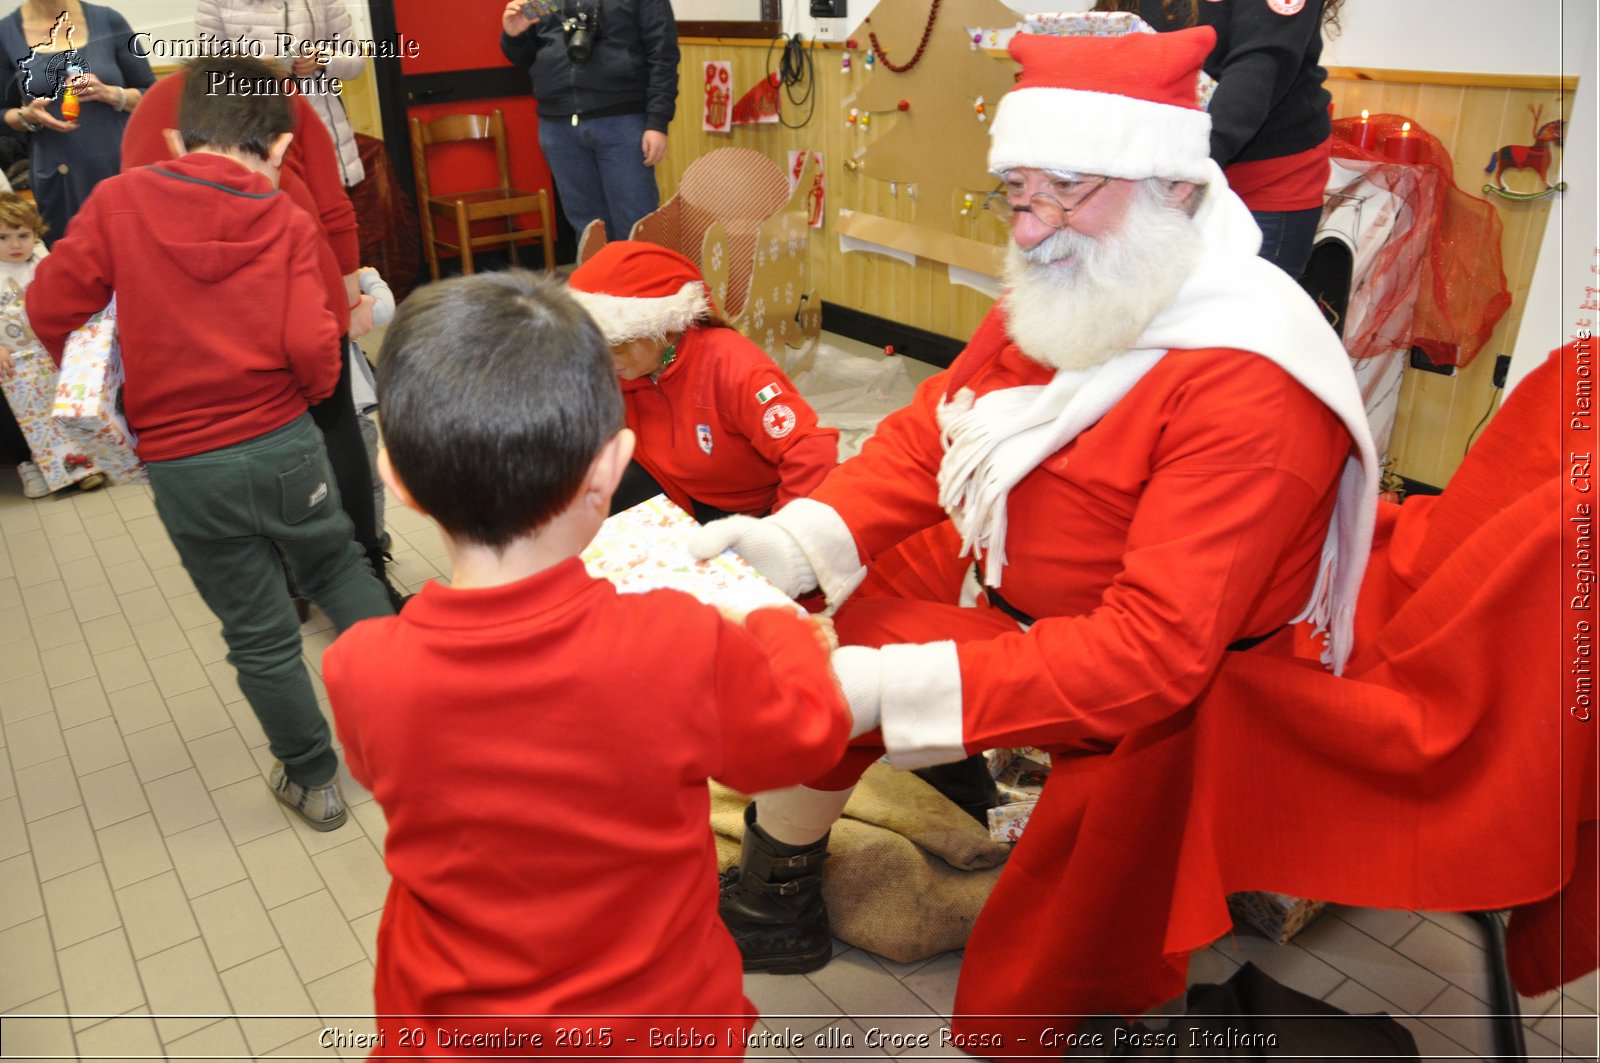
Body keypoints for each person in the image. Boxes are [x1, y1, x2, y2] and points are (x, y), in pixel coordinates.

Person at [692, 25, 1378, 1023]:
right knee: (815, 648)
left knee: (1037, 993)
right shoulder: (1090, 275)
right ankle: (774, 898)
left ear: (1176, 190)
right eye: (1016, 192)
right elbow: (935, 432)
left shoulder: (1250, 381)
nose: (1027, 227)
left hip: (1181, 697)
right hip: (1038, 616)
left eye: (1064, 190)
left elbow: (1155, 656)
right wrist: (798, 540)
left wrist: (891, 688)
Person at [321, 270, 855, 1051]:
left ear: (393, 476)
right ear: (609, 470)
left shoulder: (360, 665)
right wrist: (782, 632)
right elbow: (806, 738)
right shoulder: (680, 640)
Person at [25, 54, 394, 832]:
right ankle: (415, 732)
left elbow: (50, 305)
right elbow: (315, 348)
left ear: (172, 132)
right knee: (339, 565)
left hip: (184, 465)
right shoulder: (286, 219)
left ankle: (315, 780)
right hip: (287, 441)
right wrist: (301, 392)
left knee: (257, 630)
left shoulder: (118, 204)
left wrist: (102, 380)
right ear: (280, 146)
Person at [120, 61, 404, 610]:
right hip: (298, 287)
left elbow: (135, 214)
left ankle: (285, 583)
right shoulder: (278, 93)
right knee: (335, 424)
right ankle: (362, 573)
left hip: (193, 315)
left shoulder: (160, 102)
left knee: (244, 442)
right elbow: (333, 207)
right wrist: (349, 306)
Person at [565, 241, 838, 523]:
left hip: (751, 514)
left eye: (616, 345)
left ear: (664, 330)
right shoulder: (625, 367)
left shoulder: (733, 365)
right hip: (677, 492)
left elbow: (812, 450)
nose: (605, 361)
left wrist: (783, 533)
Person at [1096, 0, 1343, 279]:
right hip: (1157, 171)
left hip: (1262, 178)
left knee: (1245, 309)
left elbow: (1261, 65)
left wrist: (1193, 159)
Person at [499, 0, 679, 244]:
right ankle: (595, 283)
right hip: (558, 125)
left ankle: (641, 281)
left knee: (636, 226)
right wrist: (513, 36)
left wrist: (658, 121)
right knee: (587, 232)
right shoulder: (544, 1)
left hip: (622, 120)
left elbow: (663, 53)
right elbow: (530, 57)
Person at [1, 1, 154, 242]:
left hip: (120, 167)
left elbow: (152, 95)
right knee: (73, 262)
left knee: (135, 251)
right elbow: (2, 114)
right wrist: (27, 116)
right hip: (60, 177)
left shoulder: (110, 20)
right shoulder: (5, 34)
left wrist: (114, 95)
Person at [193, 0, 367, 189]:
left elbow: (356, 62)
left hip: (319, 124)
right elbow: (207, 74)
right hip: (252, 132)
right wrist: (257, 69)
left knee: (331, 206)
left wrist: (324, 58)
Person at [0, 191, 105, 497]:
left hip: (50, 350)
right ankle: (29, 463)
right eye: (3, 238)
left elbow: (63, 300)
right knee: (24, 413)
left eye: (23, 235)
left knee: (67, 406)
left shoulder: (44, 261)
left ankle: (83, 463)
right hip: (12, 359)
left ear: (36, 234)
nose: (16, 245)